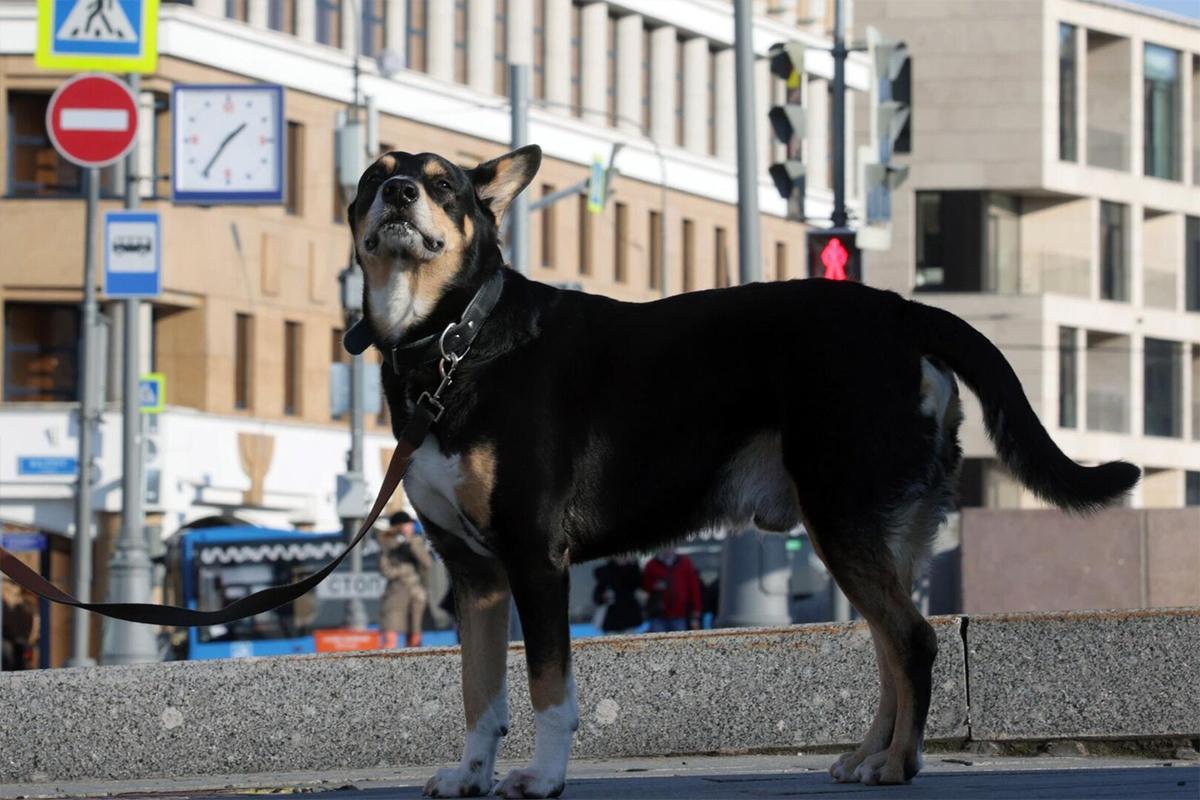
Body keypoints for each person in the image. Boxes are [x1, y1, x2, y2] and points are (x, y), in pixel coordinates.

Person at [376, 511, 432, 647]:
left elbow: (427, 563)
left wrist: (411, 543)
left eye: (409, 524)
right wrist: (404, 570)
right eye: (405, 525)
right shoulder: (387, 544)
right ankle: (386, 666)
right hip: (395, 593)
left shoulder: (417, 541)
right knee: (390, 635)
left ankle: (414, 666)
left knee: (415, 635)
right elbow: (385, 570)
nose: (409, 527)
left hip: (416, 592)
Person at [641, 548, 702, 633]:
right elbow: (645, 586)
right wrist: (654, 586)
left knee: (679, 642)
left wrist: (696, 610)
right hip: (658, 614)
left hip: (679, 613)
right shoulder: (652, 565)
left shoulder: (684, 563)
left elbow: (694, 588)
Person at [591, 555, 643, 634]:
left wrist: (631, 565)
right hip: (611, 620)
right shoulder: (604, 573)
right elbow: (597, 596)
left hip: (629, 618)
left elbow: (636, 585)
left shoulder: (632, 570)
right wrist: (603, 597)